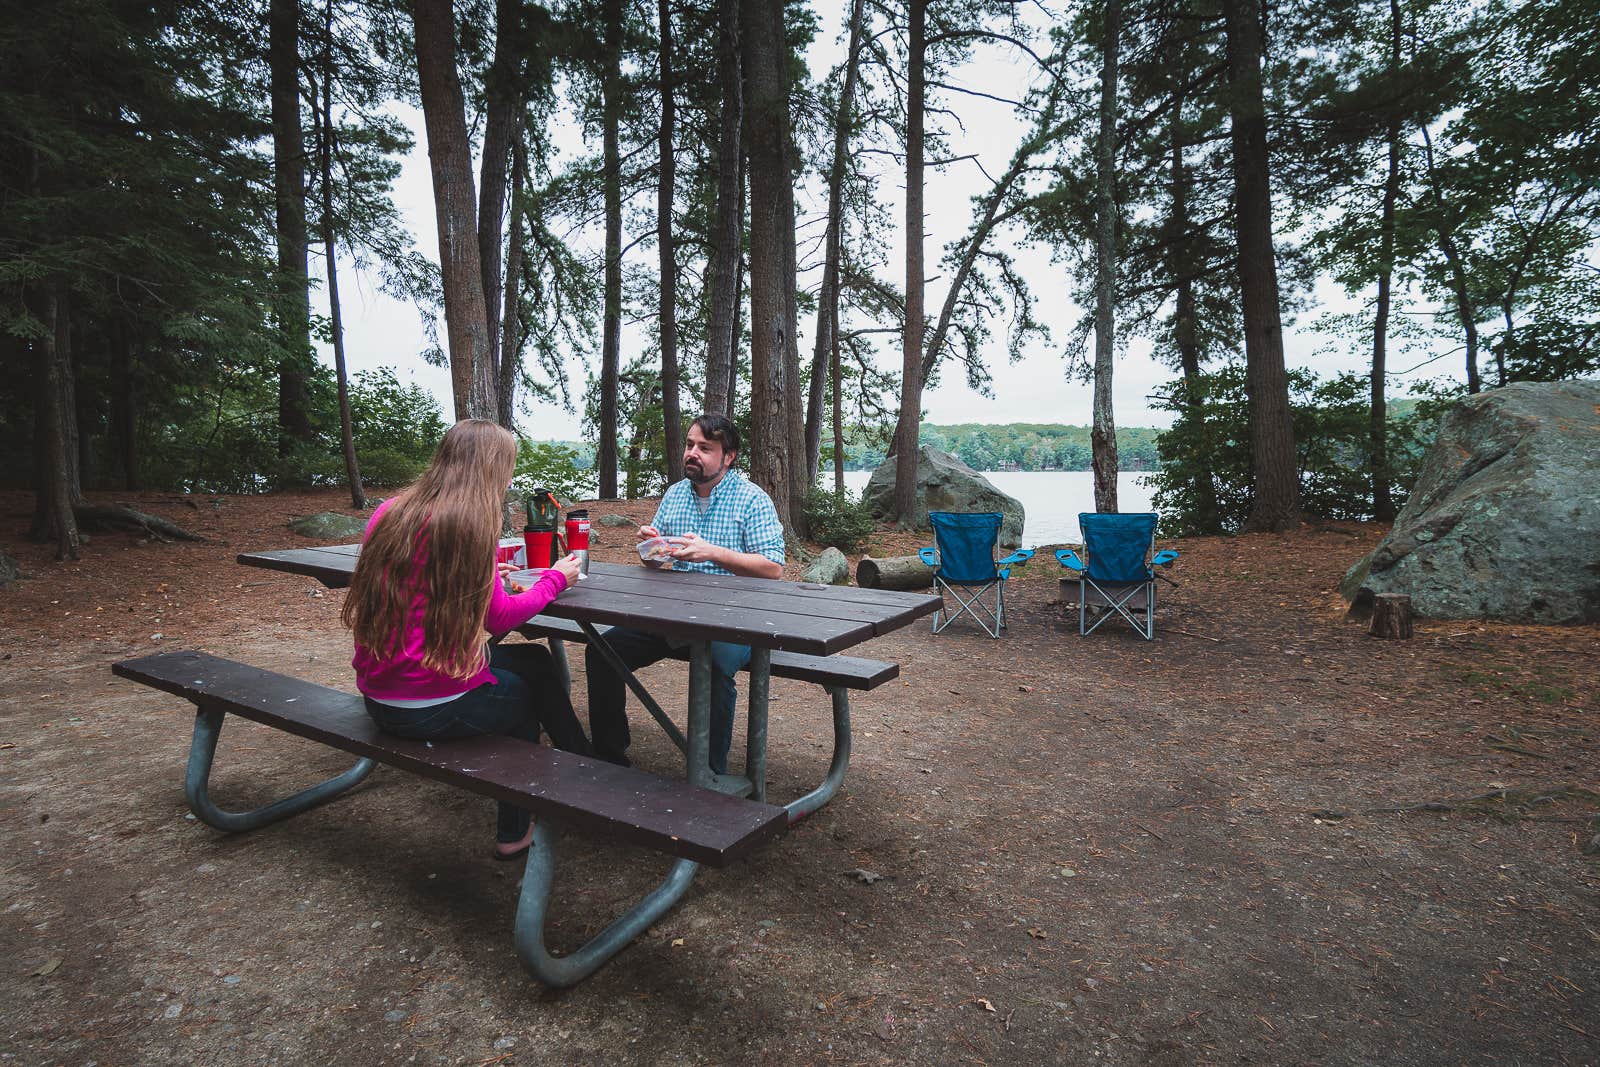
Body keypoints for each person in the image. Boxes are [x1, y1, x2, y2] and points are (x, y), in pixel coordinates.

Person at [342, 419, 590, 861]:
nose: (509, 480)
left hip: (379, 695)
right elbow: (500, 618)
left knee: (535, 662)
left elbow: (420, 578)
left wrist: (485, 574)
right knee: (521, 699)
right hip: (429, 708)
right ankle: (516, 830)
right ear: (491, 469)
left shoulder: (391, 511)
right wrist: (555, 579)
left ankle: (585, 766)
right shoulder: (470, 524)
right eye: (507, 468)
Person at [585, 413, 785, 775]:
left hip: (735, 620)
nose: (692, 453)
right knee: (602, 650)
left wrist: (714, 553)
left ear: (728, 457)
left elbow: (773, 568)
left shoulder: (752, 499)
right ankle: (609, 758)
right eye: (690, 445)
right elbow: (654, 561)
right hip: (674, 614)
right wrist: (650, 547)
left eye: (705, 448)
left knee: (715, 665)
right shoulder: (675, 494)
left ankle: (710, 776)